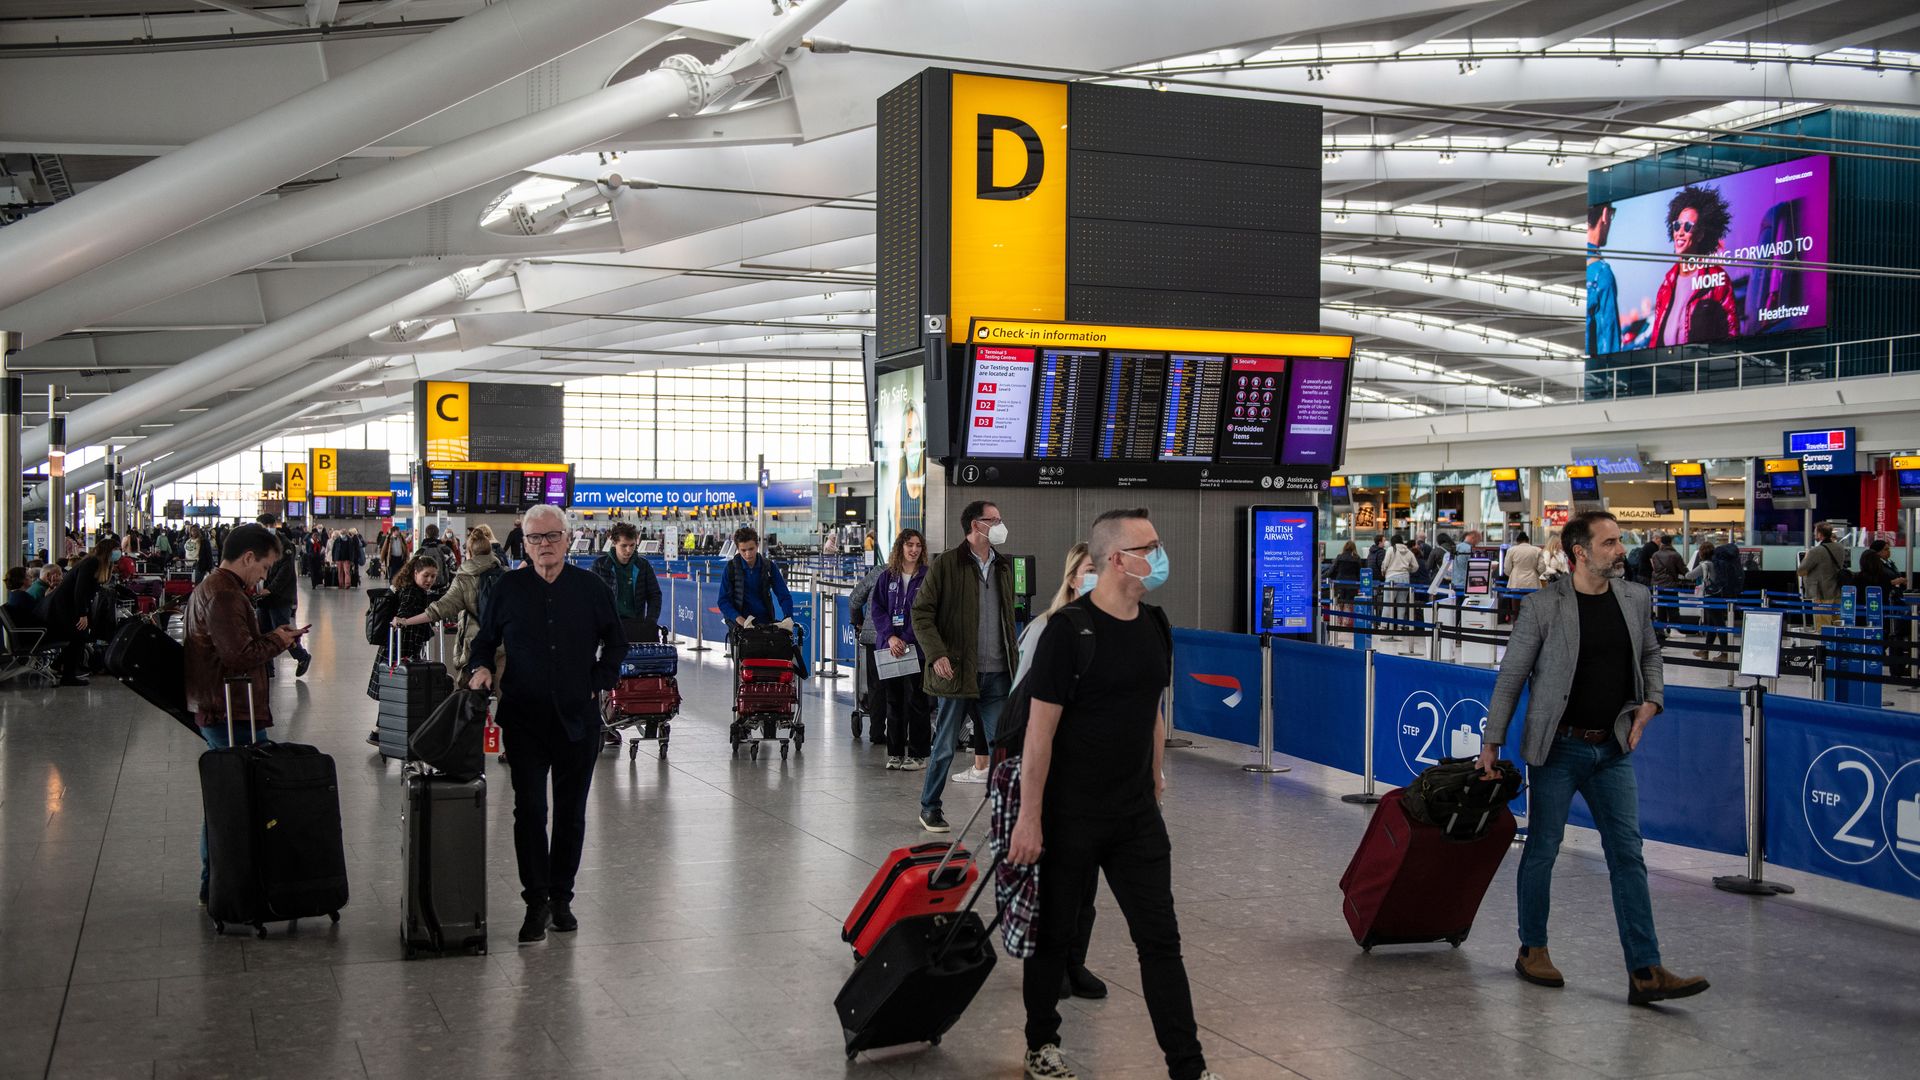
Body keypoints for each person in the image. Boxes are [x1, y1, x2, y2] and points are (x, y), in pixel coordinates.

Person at [1009, 509, 1218, 1080]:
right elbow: (1039, 734)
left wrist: (1154, 779)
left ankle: (1188, 1067)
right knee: (1054, 935)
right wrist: (1030, 819)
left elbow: (1151, 709)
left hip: (1135, 819)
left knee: (1160, 941)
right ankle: (1041, 1042)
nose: (1159, 553)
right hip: (1069, 814)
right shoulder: (1067, 632)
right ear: (1117, 560)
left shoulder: (1155, 624)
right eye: (1149, 546)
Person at [1478, 510, 1709, 1007]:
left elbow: (1650, 654)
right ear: (1579, 552)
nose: (1620, 549)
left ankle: (1645, 970)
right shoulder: (1544, 606)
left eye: (1619, 541)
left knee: (1628, 854)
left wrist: (1653, 701)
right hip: (1558, 747)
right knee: (1543, 848)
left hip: (1613, 748)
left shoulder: (1634, 597)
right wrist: (1491, 743)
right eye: (1609, 543)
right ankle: (1532, 948)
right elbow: (1511, 677)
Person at [464, 504, 625, 944]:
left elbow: (616, 642)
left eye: (552, 536)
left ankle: (562, 899)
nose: (544, 545)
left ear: (567, 539)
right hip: (525, 719)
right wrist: (479, 669)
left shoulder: (591, 588)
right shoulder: (508, 588)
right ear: (525, 543)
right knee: (530, 811)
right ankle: (535, 902)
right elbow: (484, 641)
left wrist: (598, 681)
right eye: (535, 538)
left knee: (571, 815)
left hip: (578, 721)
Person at [1010, 540, 1111, 1004]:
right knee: (1058, 878)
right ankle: (1052, 966)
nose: (1097, 577)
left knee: (1087, 877)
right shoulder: (1046, 628)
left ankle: (1076, 960)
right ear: (1073, 577)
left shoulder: (1115, 631)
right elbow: (1022, 704)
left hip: (1097, 773)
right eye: (1090, 569)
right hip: (1053, 770)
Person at [184, 523, 305, 904]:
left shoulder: (214, 587)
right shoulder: (224, 596)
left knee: (230, 796)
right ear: (248, 557)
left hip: (221, 706)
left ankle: (222, 881)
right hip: (231, 711)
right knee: (234, 801)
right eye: (265, 566)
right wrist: (277, 640)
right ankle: (221, 884)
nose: (265, 575)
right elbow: (239, 657)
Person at [910, 501, 1016, 833]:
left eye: (1000, 518)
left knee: (1004, 744)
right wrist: (936, 653)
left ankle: (1007, 809)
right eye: (993, 519)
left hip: (997, 672)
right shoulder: (946, 565)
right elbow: (921, 613)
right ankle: (930, 807)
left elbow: (1006, 619)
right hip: (954, 670)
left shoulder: (1003, 566)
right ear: (975, 525)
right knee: (944, 745)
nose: (1000, 524)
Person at [396, 526, 504, 681]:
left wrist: (406, 621)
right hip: (504, 646)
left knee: (471, 698)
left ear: (470, 553)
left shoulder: (464, 580)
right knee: (505, 697)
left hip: (475, 647)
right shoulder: (506, 575)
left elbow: (438, 610)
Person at [1644, 184, 1737, 349]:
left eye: (1687, 227)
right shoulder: (1666, 285)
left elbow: (1732, 334)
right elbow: (1655, 340)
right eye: (1676, 225)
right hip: (1669, 370)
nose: (1680, 232)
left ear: (1700, 235)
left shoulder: (1718, 279)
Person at [364, 553, 442, 746]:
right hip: (400, 650)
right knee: (397, 690)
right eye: (426, 575)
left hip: (395, 648)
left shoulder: (407, 587)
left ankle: (382, 731)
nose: (430, 580)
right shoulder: (411, 592)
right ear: (415, 572)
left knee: (395, 691)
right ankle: (379, 731)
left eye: (433, 576)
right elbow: (403, 618)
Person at [870, 529, 931, 771]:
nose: (914, 549)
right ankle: (895, 752)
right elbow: (877, 609)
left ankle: (918, 754)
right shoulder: (888, 577)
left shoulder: (928, 577)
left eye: (917, 545)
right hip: (891, 648)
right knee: (893, 702)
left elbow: (926, 612)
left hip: (916, 649)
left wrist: (905, 638)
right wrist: (891, 637)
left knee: (917, 702)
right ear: (900, 548)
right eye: (909, 545)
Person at [40, 537, 117, 686]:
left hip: (67, 606)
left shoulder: (93, 562)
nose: (118, 553)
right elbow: (80, 590)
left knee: (78, 636)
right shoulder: (92, 562)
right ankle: (68, 674)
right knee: (79, 635)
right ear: (108, 551)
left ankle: (59, 665)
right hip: (63, 607)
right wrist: (82, 614)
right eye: (115, 550)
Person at [254, 513, 311, 678]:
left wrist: (270, 589)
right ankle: (267, 669)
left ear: (271, 525)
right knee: (263, 632)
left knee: (282, 632)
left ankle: (302, 657)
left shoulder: (285, 545)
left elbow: (285, 573)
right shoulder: (261, 544)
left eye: (263, 527)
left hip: (280, 596)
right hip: (263, 598)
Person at [717, 525, 798, 633]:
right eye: (743, 550)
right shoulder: (730, 569)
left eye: (751, 549)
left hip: (766, 623)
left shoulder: (769, 566)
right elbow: (723, 601)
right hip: (740, 626)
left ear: (757, 545)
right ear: (738, 549)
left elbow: (783, 595)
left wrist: (788, 616)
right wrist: (739, 619)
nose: (748, 554)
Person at [591, 521, 662, 642]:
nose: (628, 550)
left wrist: (650, 621)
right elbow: (592, 597)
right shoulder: (600, 565)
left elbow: (654, 595)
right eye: (624, 545)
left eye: (632, 545)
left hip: (637, 625)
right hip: (609, 627)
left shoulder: (643, 565)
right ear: (614, 543)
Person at [1683, 539, 1730, 661]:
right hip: (1718, 594)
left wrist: (1683, 569)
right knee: (1712, 624)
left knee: (1718, 624)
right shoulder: (1717, 563)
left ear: (1701, 553)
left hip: (1709, 596)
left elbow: (1689, 576)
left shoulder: (1705, 565)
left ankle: (1725, 653)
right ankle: (1705, 650)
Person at [1799, 522, 1850, 630]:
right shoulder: (1840, 547)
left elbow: (1801, 571)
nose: (1814, 534)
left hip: (1821, 592)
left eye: (1815, 532)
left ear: (1820, 534)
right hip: (1836, 590)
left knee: (1822, 626)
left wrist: (1807, 556)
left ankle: (1823, 646)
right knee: (1838, 623)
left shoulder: (1816, 551)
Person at [1649, 534, 1688, 641]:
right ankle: (1674, 630)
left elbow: (1655, 568)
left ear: (1661, 542)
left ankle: (1662, 630)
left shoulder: (1655, 554)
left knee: (1660, 608)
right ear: (1671, 542)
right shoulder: (1675, 555)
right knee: (1673, 608)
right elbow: (1683, 569)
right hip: (1670, 584)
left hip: (1658, 585)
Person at [1379, 532, 1418, 637]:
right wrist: (1408, 570)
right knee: (1401, 603)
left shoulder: (1391, 549)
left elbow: (1385, 563)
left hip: (1392, 578)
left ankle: (1383, 626)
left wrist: (1383, 571)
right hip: (1405, 578)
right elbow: (1416, 566)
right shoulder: (1408, 551)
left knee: (1388, 602)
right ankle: (1400, 626)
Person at [1329, 540, 1363, 629]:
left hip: (1339, 583)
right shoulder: (1357, 558)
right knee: (1348, 604)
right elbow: (1359, 572)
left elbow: (1332, 570)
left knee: (1339, 603)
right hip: (1352, 584)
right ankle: (1345, 624)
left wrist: (1324, 577)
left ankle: (1338, 622)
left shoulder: (1339, 557)